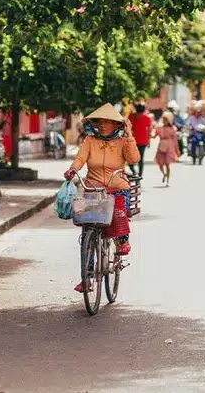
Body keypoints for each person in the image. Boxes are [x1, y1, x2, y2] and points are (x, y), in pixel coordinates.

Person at [64, 104, 139, 291]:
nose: (103, 125)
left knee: (119, 213)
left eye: (107, 122)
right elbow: (81, 158)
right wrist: (73, 169)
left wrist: (129, 135)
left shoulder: (123, 141)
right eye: (100, 122)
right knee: (87, 229)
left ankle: (123, 240)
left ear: (116, 124)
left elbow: (134, 159)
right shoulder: (90, 140)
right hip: (93, 189)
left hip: (117, 188)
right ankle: (87, 277)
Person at [154, 112, 180, 185]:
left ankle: (167, 180)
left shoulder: (172, 129)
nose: (164, 121)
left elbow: (175, 141)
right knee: (160, 164)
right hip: (161, 147)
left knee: (167, 164)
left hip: (169, 147)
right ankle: (164, 174)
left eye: (165, 119)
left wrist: (177, 151)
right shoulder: (159, 128)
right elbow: (154, 136)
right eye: (163, 119)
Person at [128, 102, 152, 176]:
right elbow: (149, 131)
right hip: (142, 141)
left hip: (134, 141)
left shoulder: (131, 116)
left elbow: (127, 127)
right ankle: (139, 176)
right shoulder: (147, 118)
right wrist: (149, 141)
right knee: (140, 159)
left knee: (130, 158)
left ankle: (135, 172)